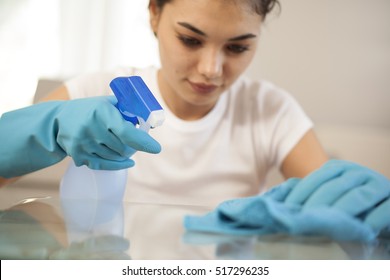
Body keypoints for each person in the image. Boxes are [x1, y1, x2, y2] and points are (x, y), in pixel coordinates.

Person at [2, 0, 329, 206]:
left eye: (237, 48)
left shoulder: (270, 109)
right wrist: (47, 128)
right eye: (190, 40)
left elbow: (329, 200)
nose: (210, 70)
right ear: (154, 14)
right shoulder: (95, 89)